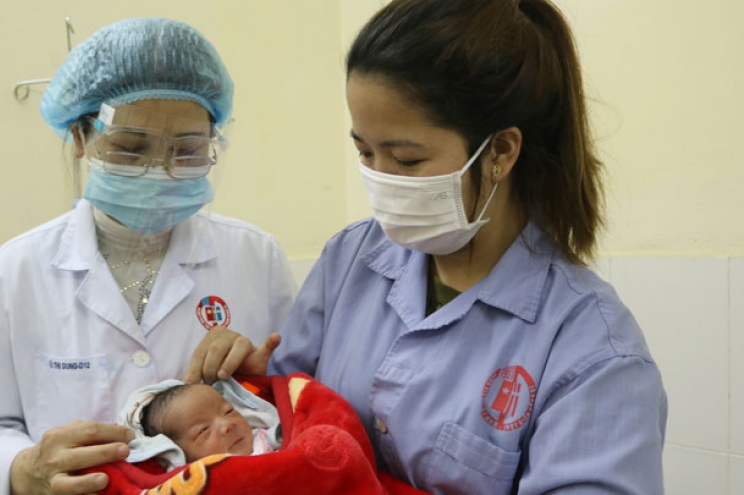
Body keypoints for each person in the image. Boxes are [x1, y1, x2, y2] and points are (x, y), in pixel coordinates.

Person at [263, 0, 668, 494]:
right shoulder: (350, 260)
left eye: (406, 160)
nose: (381, 181)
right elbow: (277, 424)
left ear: (500, 151)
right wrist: (230, 394)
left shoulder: (592, 350)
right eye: (365, 153)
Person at [0, 17, 297, 495]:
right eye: (131, 148)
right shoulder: (18, 269)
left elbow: (300, 407)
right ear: (79, 137)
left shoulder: (256, 256)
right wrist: (24, 468)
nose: (160, 170)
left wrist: (258, 386)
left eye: (187, 150)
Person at [135, 381, 277, 464]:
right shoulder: (197, 481)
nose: (227, 425)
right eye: (204, 430)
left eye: (228, 411)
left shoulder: (268, 438)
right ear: (179, 453)